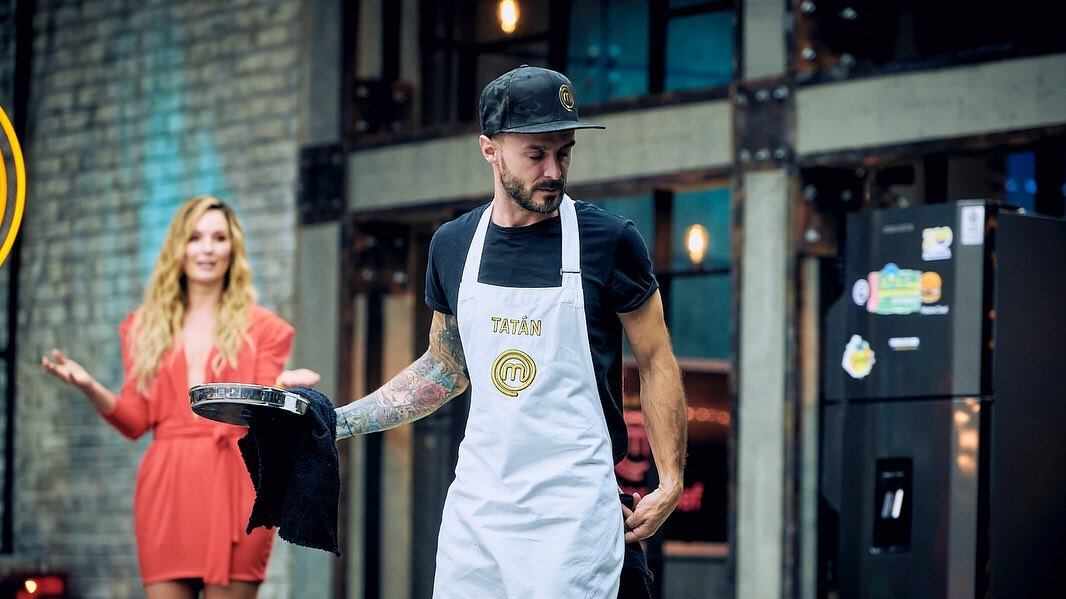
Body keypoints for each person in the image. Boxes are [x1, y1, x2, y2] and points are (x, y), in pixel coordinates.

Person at [334, 65, 687, 598]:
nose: (553, 170)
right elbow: (445, 368)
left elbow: (658, 360)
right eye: (535, 153)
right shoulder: (452, 245)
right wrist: (336, 422)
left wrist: (671, 482)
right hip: (479, 515)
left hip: (572, 516)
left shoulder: (608, 240)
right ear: (489, 149)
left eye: (563, 152)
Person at [42, 196, 319, 599]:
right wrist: (88, 384)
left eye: (219, 237)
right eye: (195, 237)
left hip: (238, 483)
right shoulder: (141, 328)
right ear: (179, 247)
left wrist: (282, 385)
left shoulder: (265, 328)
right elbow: (135, 421)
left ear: (233, 250)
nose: (207, 248)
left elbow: (261, 403)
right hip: (167, 489)